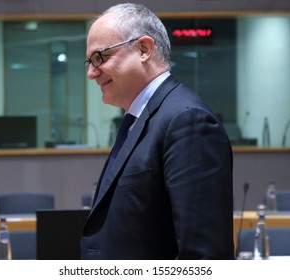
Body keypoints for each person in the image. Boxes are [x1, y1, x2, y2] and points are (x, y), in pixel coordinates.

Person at [81, 3, 234, 260]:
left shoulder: (187, 120)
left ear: (143, 49)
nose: (91, 73)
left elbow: (205, 256)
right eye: (89, 61)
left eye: (100, 57)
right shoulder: (141, 118)